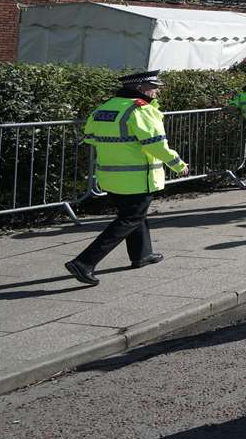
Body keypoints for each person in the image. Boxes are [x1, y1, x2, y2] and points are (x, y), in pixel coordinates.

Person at [65, 71, 188, 286]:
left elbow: (91, 137)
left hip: (110, 176)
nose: (156, 91)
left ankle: (142, 254)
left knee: (134, 215)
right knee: (129, 219)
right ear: (139, 88)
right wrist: (178, 164)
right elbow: (156, 145)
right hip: (136, 177)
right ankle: (84, 263)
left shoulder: (105, 107)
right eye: (152, 86)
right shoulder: (141, 110)